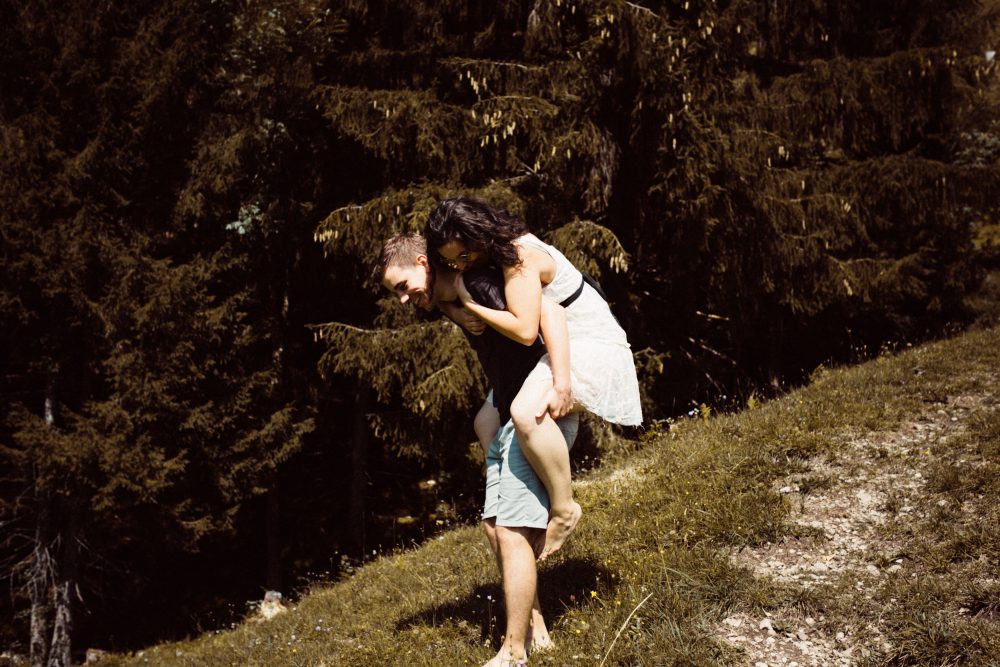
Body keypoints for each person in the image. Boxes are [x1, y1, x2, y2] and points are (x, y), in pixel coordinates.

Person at [374, 234, 574, 665]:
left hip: (538, 410)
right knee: (495, 526)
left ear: (425, 262)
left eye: (403, 286)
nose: (403, 300)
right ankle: (536, 628)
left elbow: (550, 313)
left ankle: (512, 652)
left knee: (512, 532)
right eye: (397, 294)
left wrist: (560, 384)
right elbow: (452, 302)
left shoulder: (481, 283)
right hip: (506, 410)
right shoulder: (450, 300)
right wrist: (454, 310)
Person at [426, 197, 643, 560]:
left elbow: (527, 330)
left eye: (464, 256)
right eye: (452, 262)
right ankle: (521, 494)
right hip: (560, 346)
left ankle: (564, 506)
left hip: (589, 345)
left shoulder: (519, 258)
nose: (461, 267)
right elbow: (435, 295)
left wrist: (471, 304)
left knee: (525, 412)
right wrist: (455, 309)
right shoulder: (496, 255)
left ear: (479, 235)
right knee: (485, 421)